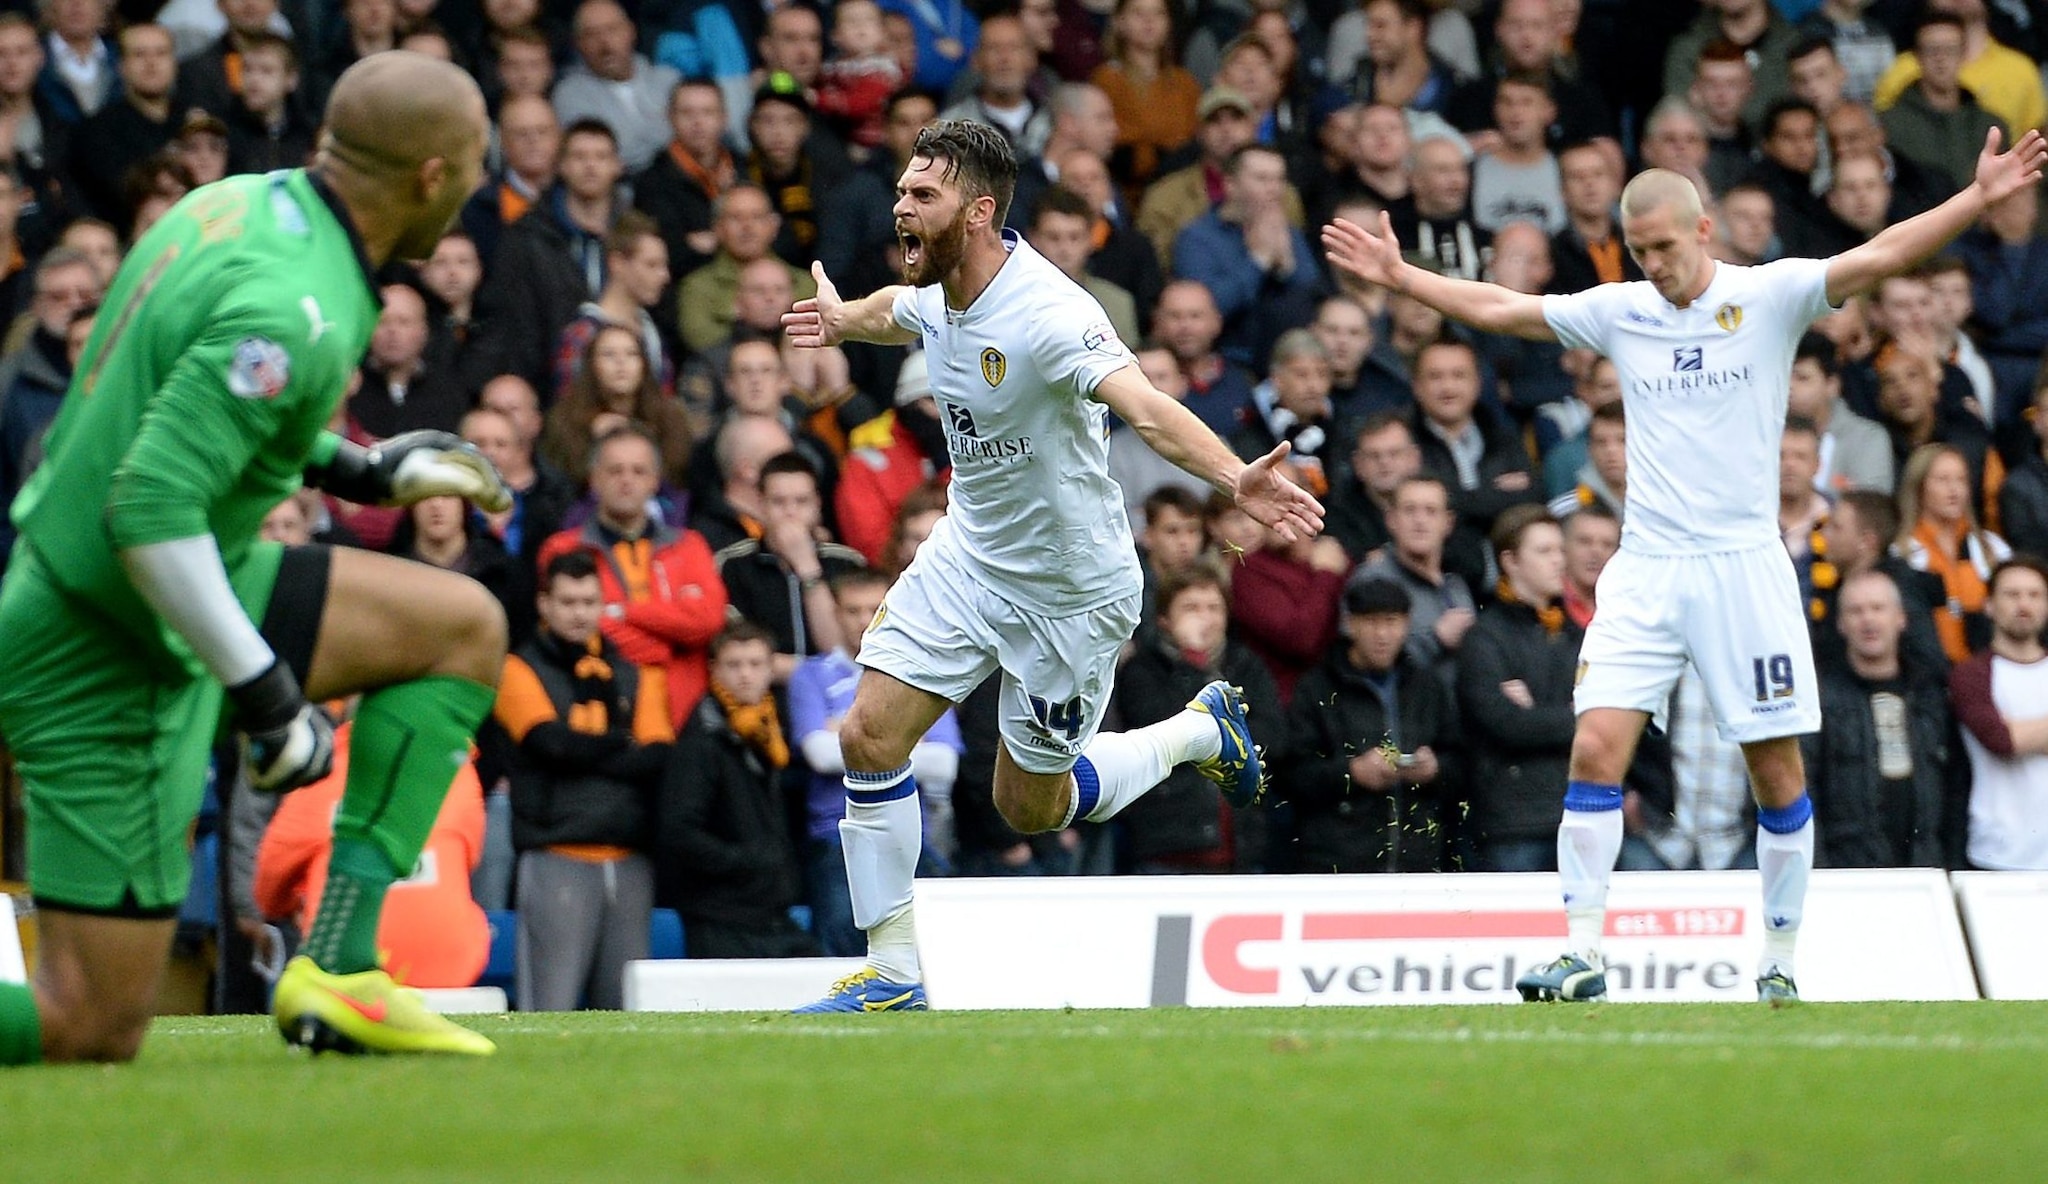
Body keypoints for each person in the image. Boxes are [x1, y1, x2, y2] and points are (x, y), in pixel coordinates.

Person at [1323, 123, 2048, 1004]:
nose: (1654, 264)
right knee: (1594, 749)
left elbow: (1881, 254)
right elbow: (1506, 310)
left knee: (1775, 772)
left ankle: (1779, 959)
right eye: (1639, 251)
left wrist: (1977, 198)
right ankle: (1581, 952)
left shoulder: (1770, 295)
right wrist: (1401, 277)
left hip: (1744, 567)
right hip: (1648, 565)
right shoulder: (1621, 308)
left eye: (1665, 247)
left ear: (1704, 232)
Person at [0, 52, 510, 1065]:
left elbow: (177, 404)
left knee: (460, 627)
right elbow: (147, 504)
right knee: (88, 1024)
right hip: (103, 643)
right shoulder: (296, 305)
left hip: (174, 585)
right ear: (429, 178)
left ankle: (338, 965)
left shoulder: (236, 206)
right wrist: (269, 693)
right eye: (470, 167)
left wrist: (361, 472)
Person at [781, 118, 1320, 1010]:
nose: (901, 209)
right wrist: (843, 320)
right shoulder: (942, 287)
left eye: (923, 196)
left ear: (979, 211)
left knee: (1031, 805)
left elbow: (1143, 406)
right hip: (969, 555)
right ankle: (893, 970)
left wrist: (1235, 478)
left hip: (1071, 592)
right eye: (903, 191)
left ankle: (1194, 733)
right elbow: (896, 310)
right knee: (867, 734)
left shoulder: (1051, 315)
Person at [494, 549, 673, 1011]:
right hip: (556, 851)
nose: (579, 613)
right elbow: (547, 744)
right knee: (546, 1006)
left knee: (626, 1009)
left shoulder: (633, 671)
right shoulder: (516, 668)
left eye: (589, 602)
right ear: (544, 604)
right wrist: (619, 745)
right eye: (569, 602)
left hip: (627, 854)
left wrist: (583, 752)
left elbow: (656, 756)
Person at [790, 570, 964, 955]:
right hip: (836, 835)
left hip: (909, 834)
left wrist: (853, 737)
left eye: (875, 609)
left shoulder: (920, 670)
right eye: (852, 610)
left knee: (922, 950)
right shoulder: (811, 675)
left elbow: (945, 764)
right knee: (843, 947)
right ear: (835, 614)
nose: (864, 620)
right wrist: (903, 738)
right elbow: (818, 755)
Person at [254, 713, 492, 990]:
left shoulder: (321, 776)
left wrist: (298, 901)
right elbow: (468, 858)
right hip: (449, 968)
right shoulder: (458, 769)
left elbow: (267, 890)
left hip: (346, 965)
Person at [657, 622, 819, 957]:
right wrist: (747, 862)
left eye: (756, 664)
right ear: (713, 669)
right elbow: (679, 831)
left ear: (771, 668)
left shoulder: (767, 731)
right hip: (720, 914)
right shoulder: (701, 740)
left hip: (768, 911)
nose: (745, 675)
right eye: (734, 665)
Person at [1283, 574, 1454, 874]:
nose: (1382, 634)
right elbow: (1292, 773)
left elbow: (1463, 761)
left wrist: (1434, 769)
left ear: (1407, 624)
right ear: (1350, 624)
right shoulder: (1318, 688)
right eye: (1371, 622)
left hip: (1416, 860)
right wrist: (1352, 773)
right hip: (1338, 862)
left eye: (1391, 622)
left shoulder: (1427, 687)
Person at [1803, 569, 1953, 867]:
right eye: (1856, 611)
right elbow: (1806, 790)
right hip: (1847, 872)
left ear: (1901, 618)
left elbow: (1956, 787)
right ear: (1841, 624)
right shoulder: (1818, 700)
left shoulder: (1931, 695)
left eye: (1878, 608)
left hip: (1926, 870)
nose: (1868, 620)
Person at [1950, 556, 2048, 870]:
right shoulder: (1971, 674)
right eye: (2012, 594)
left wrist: (2025, 732)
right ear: (1989, 605)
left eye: (2034, 595)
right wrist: (2016, 735)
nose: (2024, 604)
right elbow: (2000, 740)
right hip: (1998, 853)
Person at [1900, 441, 2011, 663]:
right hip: (1928, 670)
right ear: (1919, 487)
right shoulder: (1902, 553)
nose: (1954, 489)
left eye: (1961, 480)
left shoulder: (1993, 549)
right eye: (1942, 480)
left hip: (1988, 667)